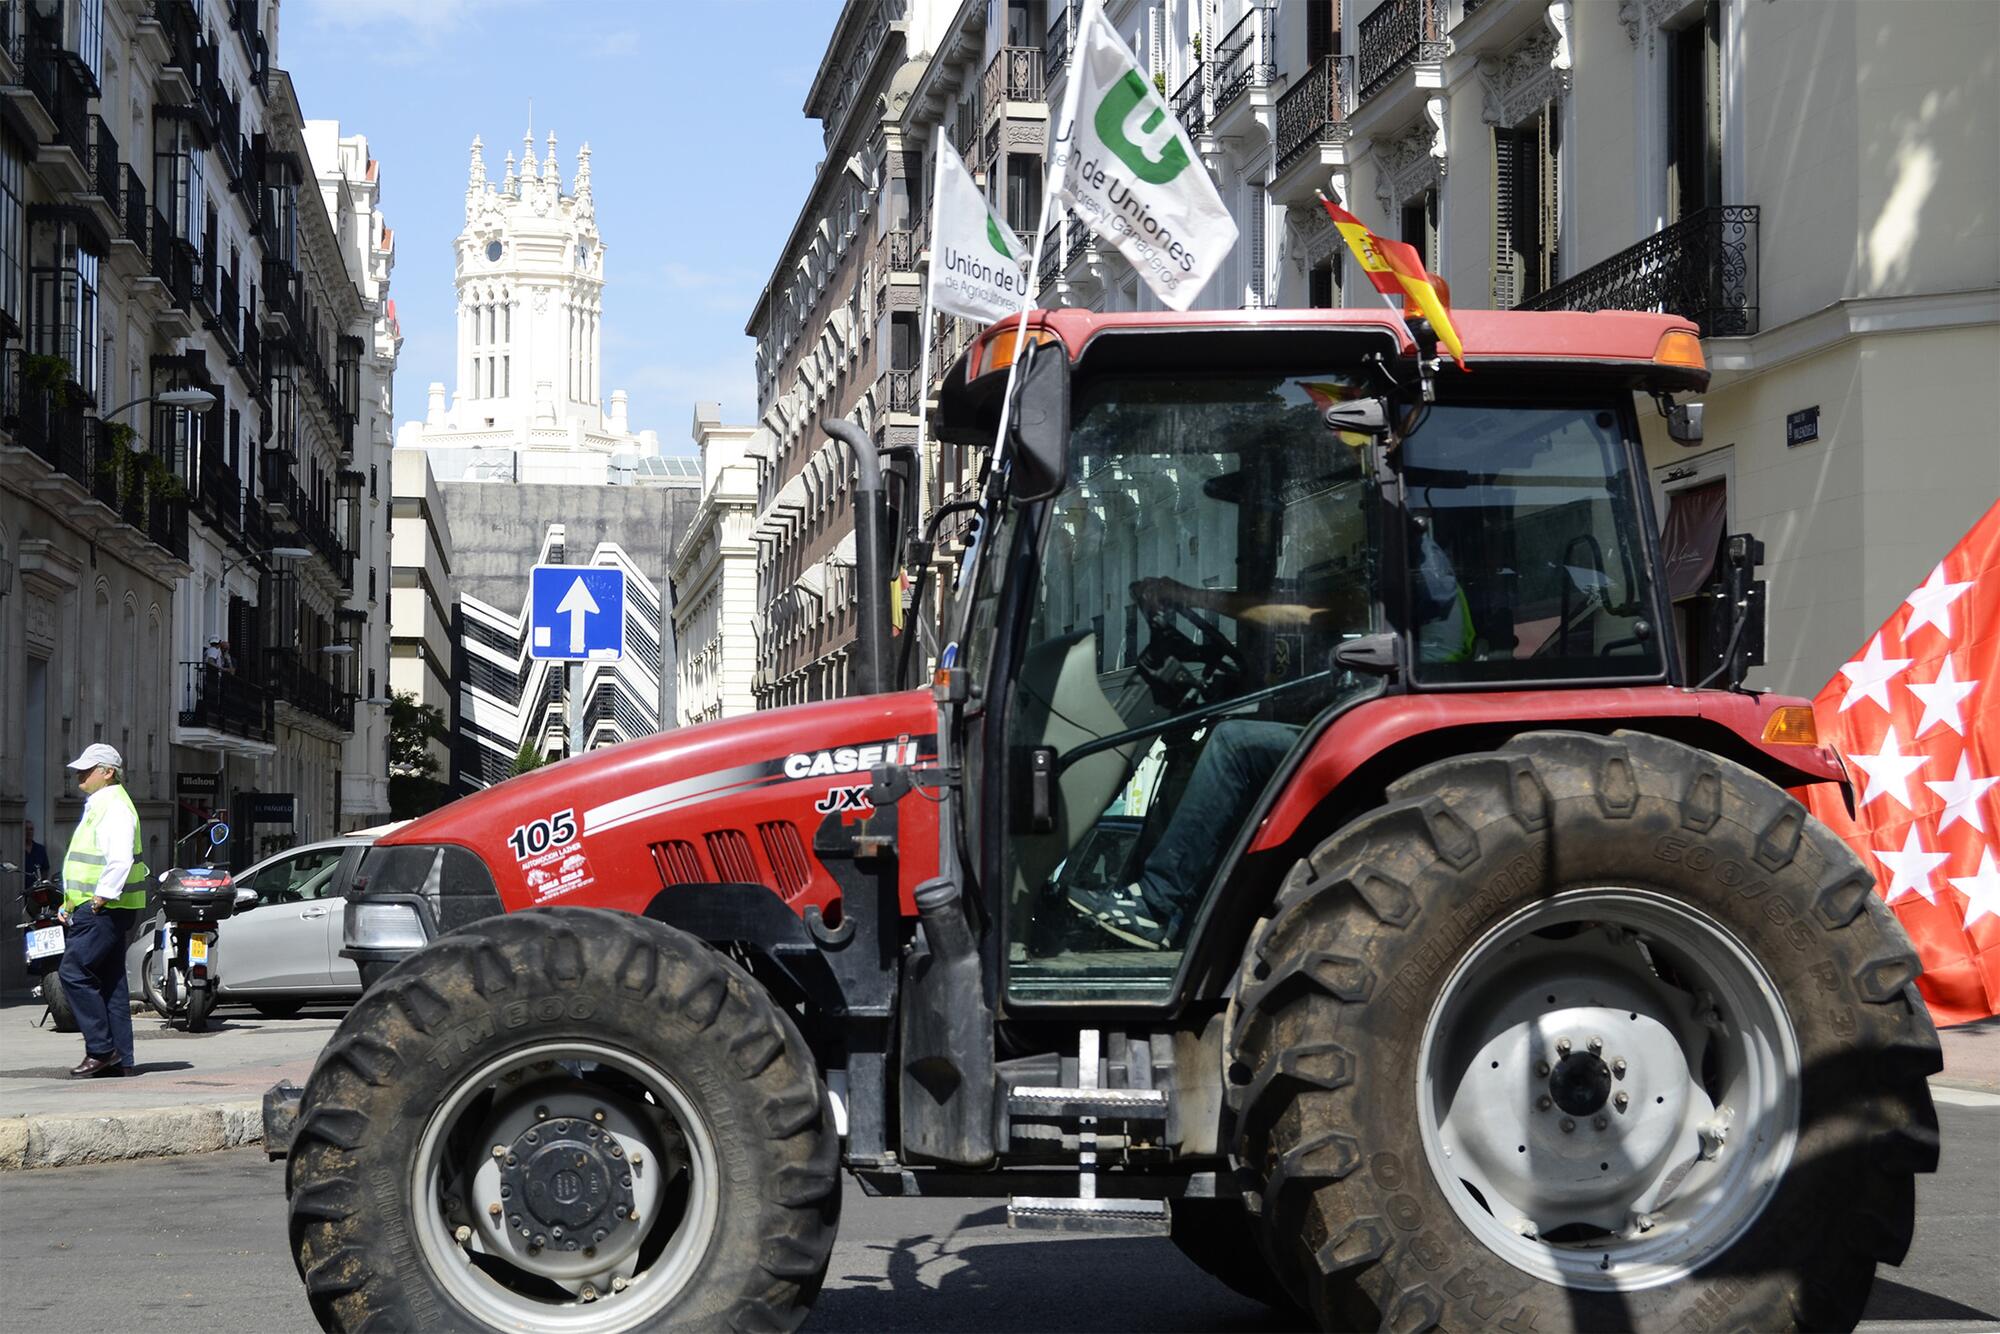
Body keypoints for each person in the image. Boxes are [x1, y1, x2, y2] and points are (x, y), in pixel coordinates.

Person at [1067, 522, 1474, 950]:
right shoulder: (1424, 574)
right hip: (1384, 730)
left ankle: (1156, 904)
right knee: (1233, 738)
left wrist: (1190, 596)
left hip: (1391, 748)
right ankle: (1183, 912)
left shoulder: (1411, 573)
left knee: (1234, 743)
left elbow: (1293, 614)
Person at [56, 743, 150, 1078]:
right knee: (111, 983)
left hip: (103, 909)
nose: (79, 775)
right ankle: (121, 1060)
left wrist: (100, 898)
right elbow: (87, 864)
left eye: (87, 769)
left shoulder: (113, 806)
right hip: (102, 907)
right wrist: (69, 902)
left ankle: (101, 1049)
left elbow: (119, 859)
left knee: (73, 972)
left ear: (108, 772)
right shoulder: (102, 804)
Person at [23, 820, 49, 886]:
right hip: (22, 887)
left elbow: (45, 869)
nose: (29, 832)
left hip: (37, 888)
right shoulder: (18, 850)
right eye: (26, 829)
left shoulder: (40, 849)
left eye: (31, 829)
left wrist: (41, 882)